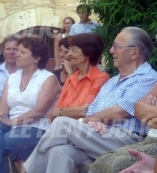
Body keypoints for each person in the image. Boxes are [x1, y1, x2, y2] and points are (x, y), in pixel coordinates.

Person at [24, 27, 157, 173]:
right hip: (98, 136)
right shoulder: (112, 82)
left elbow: (120, 112)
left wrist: (89, 120)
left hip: (125, 139)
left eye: (117, 46)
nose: (111, 51)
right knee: (59, 152)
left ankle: (27, 170)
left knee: (61, 122)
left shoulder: (147, 78)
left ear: (134, 52)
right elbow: (91, 113)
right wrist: (93, 121)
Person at [10, 33, 110, 173]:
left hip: (82, 134)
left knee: (27, 150)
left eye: (73, 50)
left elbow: (86, 110)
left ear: (87, 54)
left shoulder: (101, 78)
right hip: (60, 134)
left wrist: (62, 113)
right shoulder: (72, 78)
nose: (68, 54)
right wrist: (62, 113)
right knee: (22, 150)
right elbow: (52, 115)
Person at [0, 37, 61, 173]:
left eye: (22, 52)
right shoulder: (12, 78)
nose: (17, 54)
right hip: (12, 125)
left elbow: (39, 111)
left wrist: (12, 122)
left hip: (36, 127)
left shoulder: (48, 78)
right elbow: (4, 107)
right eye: (18, 51)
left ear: (36, 58)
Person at [89, 87, 157, 172]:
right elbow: (138, 109)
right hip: (147, 140)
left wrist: (149, 112)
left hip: (138, 138)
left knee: (113, 164)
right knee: (67, 150)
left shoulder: (146, 75)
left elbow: (121, 112)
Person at [0, 34, 20, 99]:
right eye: (8, 49)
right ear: (3, 50)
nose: (11, 52)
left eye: (15, 49)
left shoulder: (27, 71)